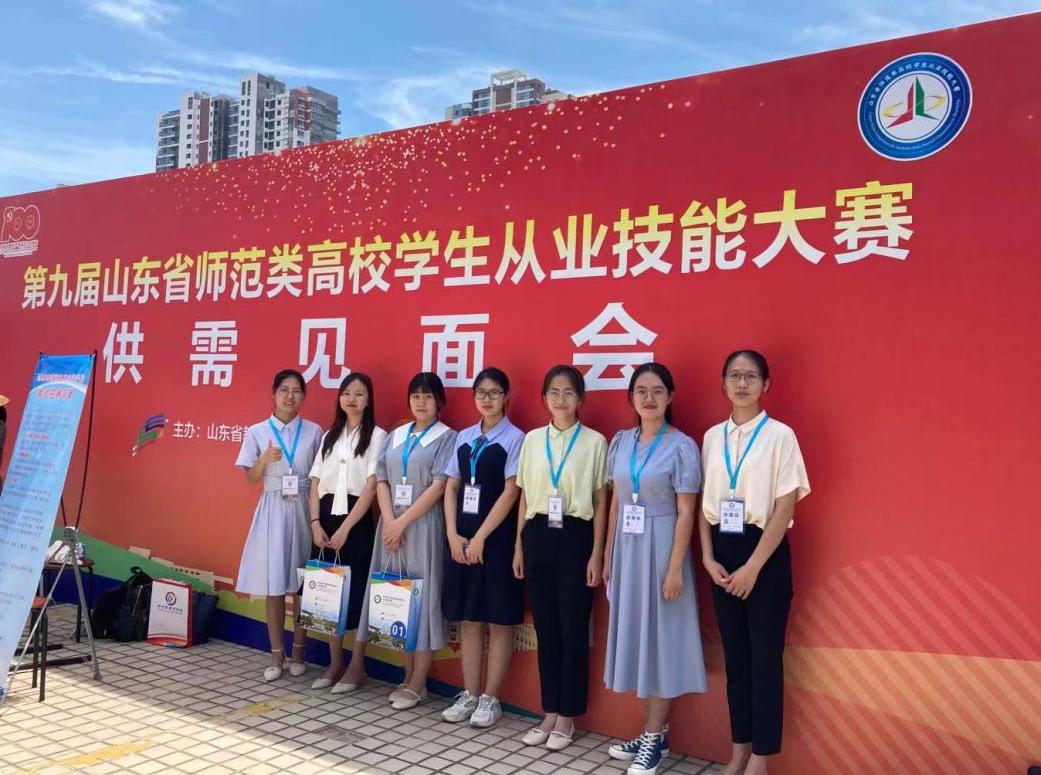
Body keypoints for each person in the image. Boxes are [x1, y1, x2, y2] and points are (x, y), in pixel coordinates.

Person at [699, 351, 810, 775]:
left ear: (766, 384)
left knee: (764, 660)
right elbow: (705, 504)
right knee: (736, 660)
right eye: (734, 375)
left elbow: (785, 506)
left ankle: (761, 759)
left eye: (750, 376)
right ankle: (739, 750)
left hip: (764, 554)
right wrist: (707, 557)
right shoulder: (712, 437)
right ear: (723, 384)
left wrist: (753, 568)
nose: (742, 383)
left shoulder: (781, 436)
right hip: (721, 555)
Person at [603, 363, 708, 775]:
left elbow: (687, 512)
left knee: (660, 642)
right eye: (641, 391)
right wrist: (608, 555)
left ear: (670, 396)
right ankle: (654, 732)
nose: (649, 398)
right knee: (637, 639)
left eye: (657, 390)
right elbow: (616, 502)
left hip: (663, 548)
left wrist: (675, 568)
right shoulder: (621, 442)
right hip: (628, 550)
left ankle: (652, 736)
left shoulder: (682, 446)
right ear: (631, 396)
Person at [512, 365, 607, 752]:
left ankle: (568, 716)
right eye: (554, 392)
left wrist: (597, 553)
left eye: (569, 393)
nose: (561, 399)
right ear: (544, 398)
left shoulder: (595, 442)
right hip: (537, 535)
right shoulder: (533, 440)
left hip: (576, 536)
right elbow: (523, 495)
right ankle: (549, 710)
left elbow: (601, 500)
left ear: (580, 399)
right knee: (546, 630)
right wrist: (519, 546)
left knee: (572, 630)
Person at [355, 372, 456, 711]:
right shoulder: (396, 435)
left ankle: (419, 681)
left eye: (428, 397)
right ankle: (407, 672)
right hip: (390, 527)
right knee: (399, 597)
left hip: (422, 527)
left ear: (439, 402)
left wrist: (402, 522)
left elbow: (439, 486)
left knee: (422, 600)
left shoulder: (447, 437)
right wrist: (390, 520)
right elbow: (381, 480)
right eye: (415, 396)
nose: (421, 402)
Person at [441, 368, 525, 729]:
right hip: (461, 539)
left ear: (506, 397)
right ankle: (470, 693)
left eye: (494, 392)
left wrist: (481, 539)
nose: (487, 399)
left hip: (497, 541)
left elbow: (511, 491)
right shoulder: (464, 437)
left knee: (499, 619)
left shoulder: (516, 438)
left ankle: (491, 699)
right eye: (481, 393)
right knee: (469, 618)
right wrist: (452, 534)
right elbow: (451, 487)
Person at [235, 369, 323, 681]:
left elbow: (319, 477)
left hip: (303, 507)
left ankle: (299, 651)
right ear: (273, 394)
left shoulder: (314, 432)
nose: (289, 396)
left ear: (303, 396)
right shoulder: (257, 431)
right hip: (272, 508)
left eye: (296, 391)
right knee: (274, 585)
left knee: (302, 584)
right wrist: (263, 460)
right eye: (284, 390)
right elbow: (250, 478)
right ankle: (276, 654)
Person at [306, 373, 387, 693]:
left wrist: (346, 528)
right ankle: (335, 663)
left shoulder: (378, 436)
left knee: (358, 593)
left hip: (356, 522)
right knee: (328, 593)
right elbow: (314, 482)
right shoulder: (330, 435)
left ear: (369, 400)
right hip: (325, 519)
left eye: (359, 393)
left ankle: (357, 665)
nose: (352, 399)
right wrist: (315, 523)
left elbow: (371, 488)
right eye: (347, 393)